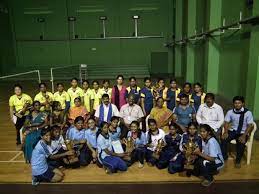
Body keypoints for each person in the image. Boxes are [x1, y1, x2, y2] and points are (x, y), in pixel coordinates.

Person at [221, 96, 254, 168]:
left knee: (241, 143)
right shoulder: (230, 112)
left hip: (243, 132)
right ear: (233, 104)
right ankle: (224, 157)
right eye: (235, 103)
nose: (237, 104)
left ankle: (238, 161)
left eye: (239, 103)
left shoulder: (248, 113)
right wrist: (226, 132)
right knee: (223, 139)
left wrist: (244, 135)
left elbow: (250, 125)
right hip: (233, 131)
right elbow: (226, 122)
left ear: (243, 104)